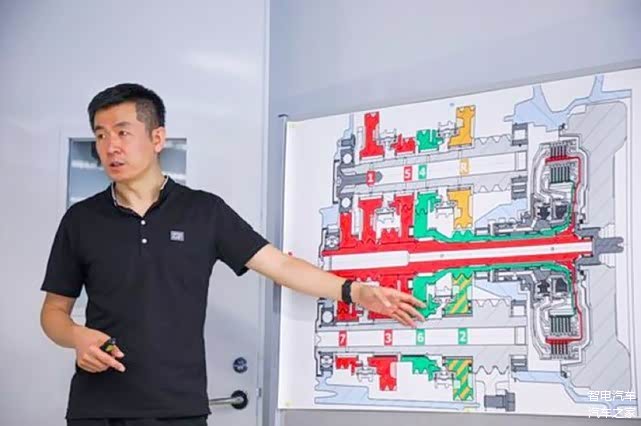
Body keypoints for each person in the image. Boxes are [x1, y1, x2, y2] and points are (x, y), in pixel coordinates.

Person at [40, 83, 426, 426]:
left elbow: (280, 265)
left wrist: (354, 291)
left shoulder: (204, 211)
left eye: (123, 132)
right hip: (97, 409)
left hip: (179, 409)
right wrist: (76, 336)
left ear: (157, 138)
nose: (110, 146)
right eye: (101, 135)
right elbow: (53, 312)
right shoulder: (81, 220)